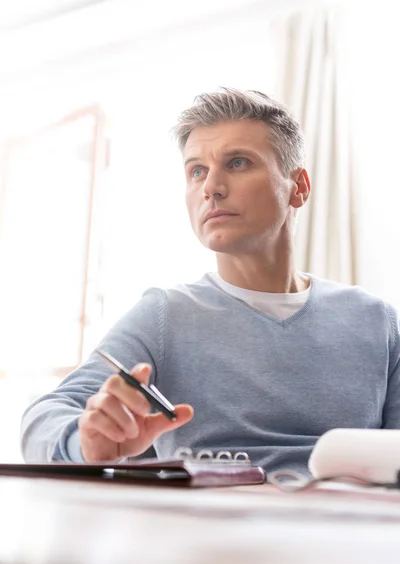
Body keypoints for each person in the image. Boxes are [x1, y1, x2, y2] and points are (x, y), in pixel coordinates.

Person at [20, 88, 400, 476]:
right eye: (196, 170)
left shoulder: (377, 322)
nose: (211, 187)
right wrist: (85, 440)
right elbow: (42, 419)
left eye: (237, 163)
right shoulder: (165, 315)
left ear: (298, 187)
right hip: (211, 530)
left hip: (352, 528)